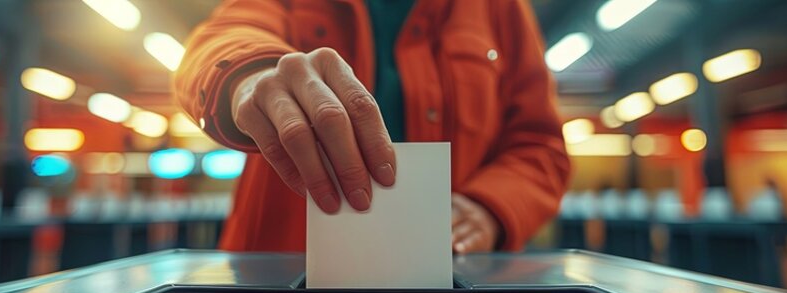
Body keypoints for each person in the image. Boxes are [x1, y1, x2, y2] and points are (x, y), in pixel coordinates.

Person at [175, 0, 570, 253]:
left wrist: (490, 209)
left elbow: (540, 146)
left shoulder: (499, 9)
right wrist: (250, 75)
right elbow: (225, 36)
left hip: (455, 287)